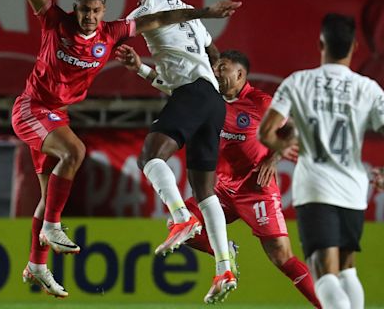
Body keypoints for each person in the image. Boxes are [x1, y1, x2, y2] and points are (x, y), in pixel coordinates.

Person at [11, 0, 242, 298]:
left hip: (65, 113)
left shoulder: (118, 27)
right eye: (84, 10)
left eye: (95, 11)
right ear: (77, 8)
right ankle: (219, 262)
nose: (89, 17)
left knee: (147, 161)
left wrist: (201, 16)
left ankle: (37, 264)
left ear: (106, 9)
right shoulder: (57, 21)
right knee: (76, 154)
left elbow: (159, 18)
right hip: (34, 108)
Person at [118, 48, 321, 307]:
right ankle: (226, 252)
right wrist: (139, 68)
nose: (215, 72)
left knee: (282, 257)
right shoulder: (209, 98)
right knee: (181, 226)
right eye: (215, 67)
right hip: (221, 190)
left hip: (255, 187)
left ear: (240, 74)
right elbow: (173, 89)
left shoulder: (261, 102)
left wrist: (274, 158)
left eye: (222, 68)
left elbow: (294, 128)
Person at [116, 0, 242, 303]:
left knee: (150, 156)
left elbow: (118, 32)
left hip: (193, 95)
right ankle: (224, 266)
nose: (139, 0)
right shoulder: (193, 23)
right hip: (212, 101)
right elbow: (209, 59)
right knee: (204, 189)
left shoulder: (152, 5)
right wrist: (139, 68)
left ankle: (180, 219)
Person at [258, 13, 384, 309]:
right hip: (354, 190)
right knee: (347, 267)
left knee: (323, 270)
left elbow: (266, 132)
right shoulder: (368, 88)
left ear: (320, 43)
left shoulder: (298, 82)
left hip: (315, 187)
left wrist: (282, 144)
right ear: (355, 47)